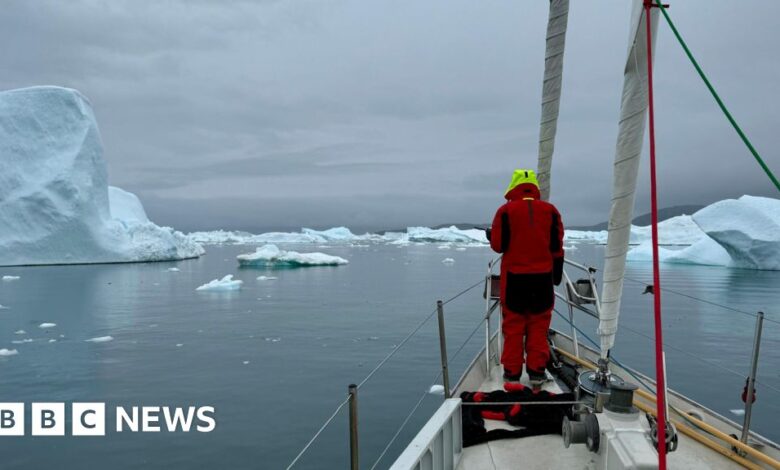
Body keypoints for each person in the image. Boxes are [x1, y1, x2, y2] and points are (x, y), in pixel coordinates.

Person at [488, 169, 564, 385]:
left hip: (515, 280)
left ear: (514, 187)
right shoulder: (551, 211)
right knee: (539, 326)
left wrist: (490, 236)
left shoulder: (505, 211)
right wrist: (556, 274)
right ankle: (537, 372)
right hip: (542, 280)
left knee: (513, 327)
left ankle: (512, 373)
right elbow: (557, 246)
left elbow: (498, 245)